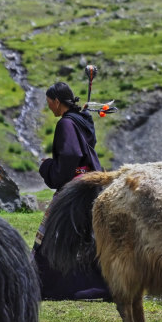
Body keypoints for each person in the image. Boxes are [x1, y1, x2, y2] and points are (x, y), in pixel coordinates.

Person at [32, 81, 111, 301]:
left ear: (57, 102)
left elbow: (70, 156)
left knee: (54, 235)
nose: (49, 108)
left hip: (74, 191)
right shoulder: (82, 120)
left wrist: (47, 167)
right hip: (89, 185)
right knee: (87, 236)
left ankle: (48, 285)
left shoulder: (66, 124)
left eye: (49, 103)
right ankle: (102, 285)